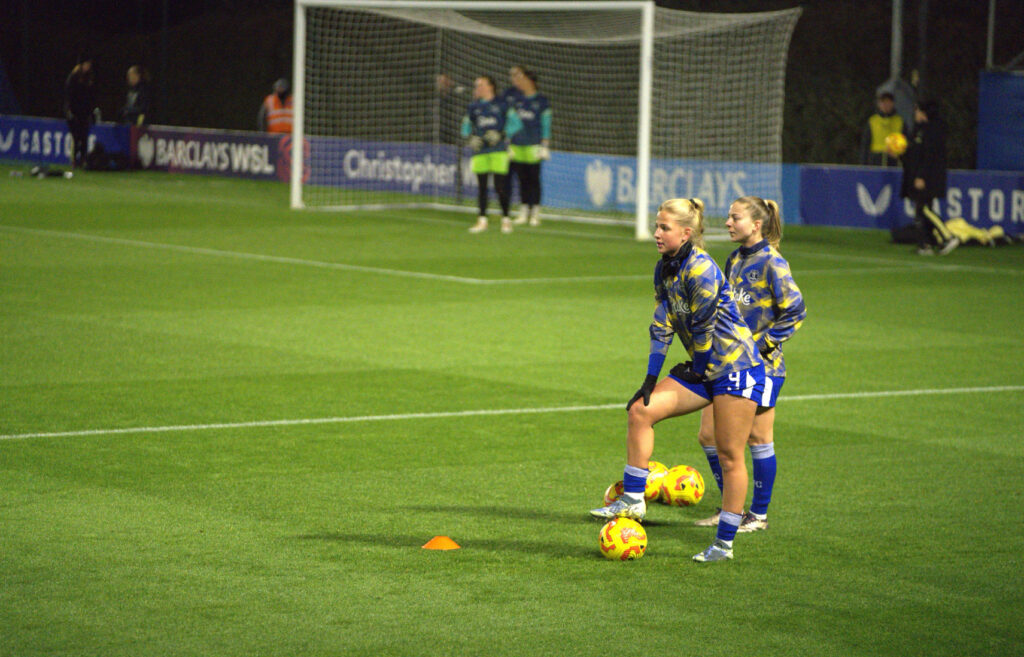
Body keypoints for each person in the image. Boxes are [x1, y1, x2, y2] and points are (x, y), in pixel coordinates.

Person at [589, 198, 766, 563]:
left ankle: (723, 545)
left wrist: (698, 367)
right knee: (641, 410)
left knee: (731, 454)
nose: (656, 233)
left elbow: (703, 326)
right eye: (657, 226)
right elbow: (662, 322)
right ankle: (634, 500)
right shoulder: (665, 268)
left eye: (664, 228)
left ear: (686, 233)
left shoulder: (701, 268)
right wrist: (650, 378)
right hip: (703, 367)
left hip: (735, 369)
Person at [693, 196, 806, 533]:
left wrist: (760, 347)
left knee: (758, 439)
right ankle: (733, 506)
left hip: (764, 368)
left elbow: (796, 310)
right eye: (728, 217)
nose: (728, 223)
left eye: (735, 218)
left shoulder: (773, 262)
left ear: (756, 224)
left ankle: (757, 515)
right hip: (729, 365)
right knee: (708, 435)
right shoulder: (734, 260)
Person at [462, 75, 523, 234]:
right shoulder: (473, 106)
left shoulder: (502, 104)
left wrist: (501, 135)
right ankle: (482, 220)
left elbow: (517, 124)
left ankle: (506, 219)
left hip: (498, 151)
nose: (478, 88)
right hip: (480, 151)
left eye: (481, 85)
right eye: (476, 85)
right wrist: (470, 139)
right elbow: (465, 127)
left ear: (491, 86)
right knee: (481, 187)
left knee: (500, 186)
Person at [900, 99, 958, 256]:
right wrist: (899, 152)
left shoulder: (935, 129)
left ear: (924, 112)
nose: (915, 113)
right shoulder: (919, 129)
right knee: (921, 211)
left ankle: (948, 237)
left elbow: (930, 156)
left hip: (929, 177)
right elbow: (913, 154)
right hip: (919, 175)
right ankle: (925, 245)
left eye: (917, 110)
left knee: (924, 209)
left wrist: (921, 176)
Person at [507, 67, 551, 227]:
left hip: (534, 145)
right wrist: (509, 142)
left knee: (534, 180)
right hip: (518, 145)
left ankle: (536, 213)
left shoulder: (542, 101)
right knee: (522, 180)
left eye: (522, 79)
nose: (519, 82)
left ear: (530, 81)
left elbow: (546, 124)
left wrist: (545, 145)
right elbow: (511, 123)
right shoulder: (516, 100)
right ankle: (524, 212)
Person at [64, 57, 97, 170]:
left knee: (84, 138)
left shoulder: (89, 78)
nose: (88, 67)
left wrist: (91, 111)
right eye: (86, 64)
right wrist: (70, 111)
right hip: (74, 112)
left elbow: (91, 96)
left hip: (84, 112)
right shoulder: (73, 77)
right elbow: (69, 96)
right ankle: (73, 160)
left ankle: (83, 160)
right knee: (76, 137)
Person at [859, 92, 903, 167]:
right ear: (879, 104)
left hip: (893, 161)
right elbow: (865, 145)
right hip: (875, 161)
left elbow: (905, 144)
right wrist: (863, 166)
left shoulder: (899, 121)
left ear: (893, 103)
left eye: (888, 102)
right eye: (883, 102)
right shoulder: (872, 121)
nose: (886, 105)